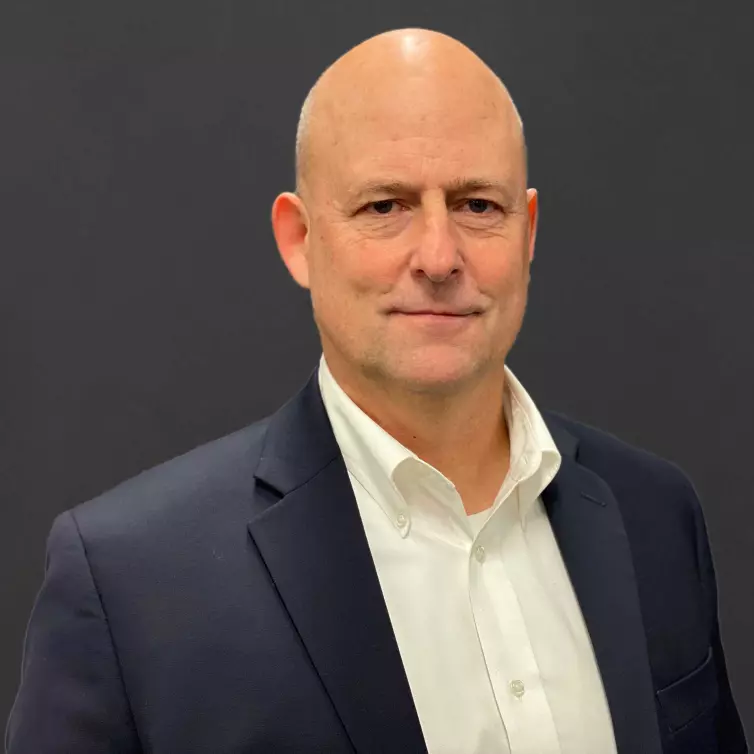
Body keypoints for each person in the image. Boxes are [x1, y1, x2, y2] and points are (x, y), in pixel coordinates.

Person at [5, 27, 747, 754]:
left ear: (528, 233)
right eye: (384, 206)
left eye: (477, 206)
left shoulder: (652, 512)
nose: (437, 256)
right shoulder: (130, 584)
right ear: (299, 240)